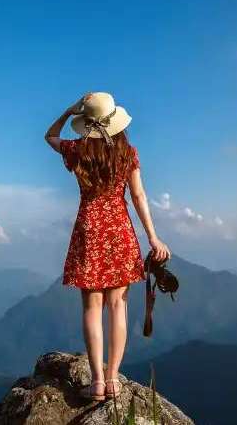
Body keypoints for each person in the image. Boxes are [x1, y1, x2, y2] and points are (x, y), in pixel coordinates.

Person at [44, 92, 171, 402]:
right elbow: (139, 196)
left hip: (89, 227)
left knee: (92, 306)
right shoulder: (128, 152)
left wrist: (67, 110)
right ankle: (113, 380)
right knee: (118, 306)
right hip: (119, 229)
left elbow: (50, 136)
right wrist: (153, 238)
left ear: (86, 123)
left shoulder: (76, 150)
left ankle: (98, 382)